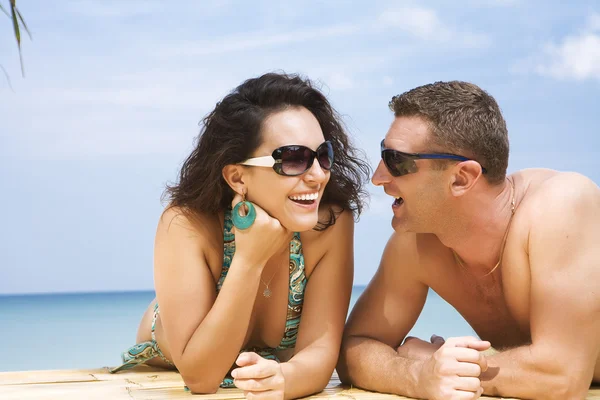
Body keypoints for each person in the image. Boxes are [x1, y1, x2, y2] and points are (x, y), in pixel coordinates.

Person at [110, 72, 370, 399]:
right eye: (293, 159)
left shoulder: (329, 223)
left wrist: (284, 380)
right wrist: (249, 258)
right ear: (237, 176)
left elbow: (320, 355)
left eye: (323, 156)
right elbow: (202, 379)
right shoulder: (187, 225)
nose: (318, 175)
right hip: (169, 366)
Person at [337, 80, 600, 400]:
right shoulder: (418, 242)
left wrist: (440, 364)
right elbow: (354, 349)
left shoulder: (560, 207)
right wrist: (418, 375)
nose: (378, 177)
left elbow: (562, 377)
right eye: (384, 154)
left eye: (397, 161)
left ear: (462, 178)